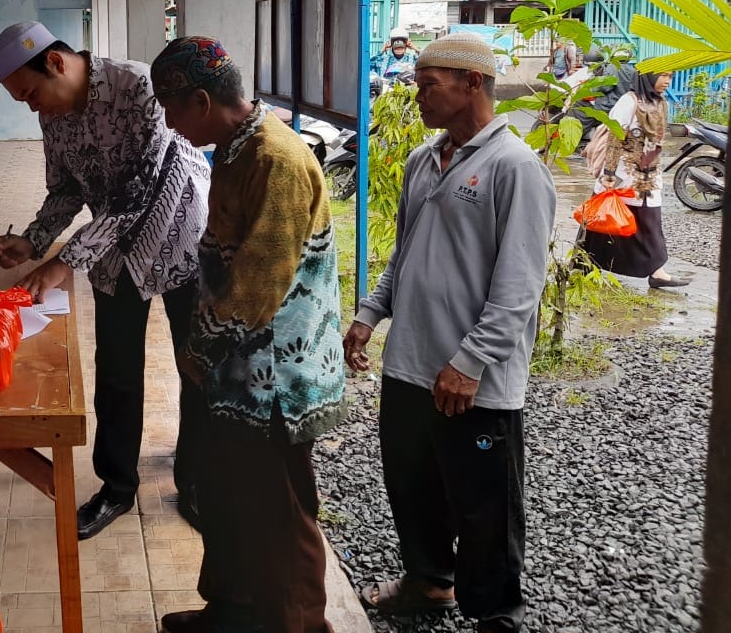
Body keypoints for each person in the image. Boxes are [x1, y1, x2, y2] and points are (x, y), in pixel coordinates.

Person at [343, 33, 557, 633]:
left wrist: (470, 361)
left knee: (485, 504)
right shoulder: (422, 159)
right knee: (411, 485)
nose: (417, 96)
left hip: (473, 380)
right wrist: (368, 314)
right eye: (416, 84)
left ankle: (496, 614)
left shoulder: (515, 167)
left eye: (428, 84)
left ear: (471, 83)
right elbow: (406, 253)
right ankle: (430, 581)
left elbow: (519, 286)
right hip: (410, 363)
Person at [150, 36, 346, 633]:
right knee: (227, 496)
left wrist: (199, 346)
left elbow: (258, 285)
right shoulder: (235, 148)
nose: (168, 122)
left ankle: (300, 627)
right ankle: (232, 612)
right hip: (235, 370)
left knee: (278, 515)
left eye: (171, 108)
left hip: (276, 379)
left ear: (203, 100)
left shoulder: (275, 159)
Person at [0, 21, 210, 540]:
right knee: (116, 374)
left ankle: (197, 481)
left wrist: (67, 261)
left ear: (57, 63)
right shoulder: (55, 113)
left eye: (31, 93)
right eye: (22, 100)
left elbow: (142, 191)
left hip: (180, 240)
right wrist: (35, 240)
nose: (32, 107)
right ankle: (116, 488)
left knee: (198, 367)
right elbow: (64, 188)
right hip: (113, 257)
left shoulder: (139, 88)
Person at [582, 71, 690, 289]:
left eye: (670, 76)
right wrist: (609, 173)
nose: (667, 81)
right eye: (663, 76)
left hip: (649, 172)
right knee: (603, 221)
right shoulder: (628, 102)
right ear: (648, 77)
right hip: (624, 173)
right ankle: (585, 263)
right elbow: (614, 136)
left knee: (649, 221)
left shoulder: (660, 102)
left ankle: (657, 270)